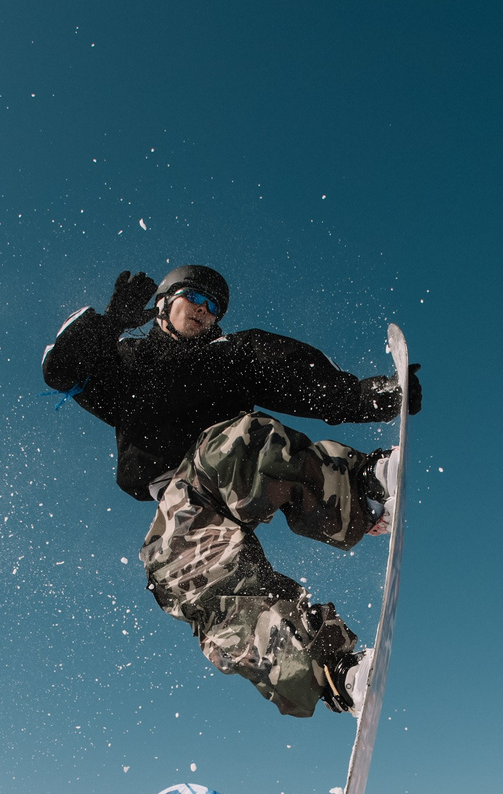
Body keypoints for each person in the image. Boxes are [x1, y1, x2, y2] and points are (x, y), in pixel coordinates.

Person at [42, 265, 423, 719]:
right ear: (163, 303)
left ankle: (359, 487)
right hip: (179, 501)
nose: (204, 311)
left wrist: (367, 396)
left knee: (237, 442)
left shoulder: (228, 356)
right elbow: (60, 370)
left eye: (213, 306)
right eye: (194, 298)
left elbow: (296, 378)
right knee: (195, 587)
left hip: (233, 465)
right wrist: (108, 324)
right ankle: (336, 672)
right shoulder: (126, 362)